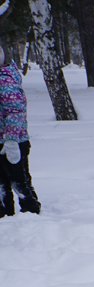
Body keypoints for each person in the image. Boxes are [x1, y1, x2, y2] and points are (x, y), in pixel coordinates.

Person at [0, 44, 40, 216]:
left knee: (19, 181)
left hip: (13, 142)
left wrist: (11, 140)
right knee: (2, 184)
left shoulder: (5, 80)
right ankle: (5, 214)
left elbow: (15, 111)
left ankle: (31, 213)